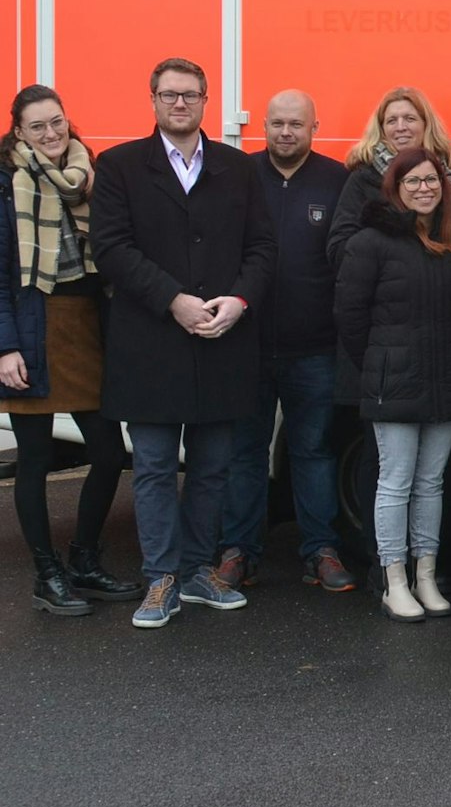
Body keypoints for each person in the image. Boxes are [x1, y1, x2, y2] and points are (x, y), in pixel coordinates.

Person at [92, 57, 276, 629]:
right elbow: (112, 249)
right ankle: (160, 578)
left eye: (190, 95)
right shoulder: (120, 166)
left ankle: (197, 570)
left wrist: (239, 301)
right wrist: (174, 299)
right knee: (150, 467)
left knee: (212, 467)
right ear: (152, 100)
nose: (179, 103)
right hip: (150, 344)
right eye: (169, 94)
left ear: (205, 101)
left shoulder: (237, 169)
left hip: (222, 340)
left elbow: (263, 248)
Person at [0, 86, 142, 615]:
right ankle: (46, 572)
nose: (51, 134)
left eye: (56, 122)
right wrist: (6, 347)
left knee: (107, 452)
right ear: (20, 132)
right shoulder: (6, 183)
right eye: (38, 127)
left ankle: (83, 558)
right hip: (33, 326)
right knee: (35, 458)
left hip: (84, 325)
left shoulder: (87, 175)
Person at [217, 91, 357, 594]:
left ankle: (319, 549)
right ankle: (239, 552)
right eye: (276, 123)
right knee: (245, 452)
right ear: (264, 127)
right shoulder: (238, 175)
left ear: (314, 127)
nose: (285, 132)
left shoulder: (337, 180)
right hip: (245, 345)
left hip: (315, 347)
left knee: (313, 452)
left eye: (296, 124)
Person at [334, 148, 451, 623]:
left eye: (432, 181)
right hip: (392, 382)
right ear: (395, 188)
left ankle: (426, 576)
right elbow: (350, 318)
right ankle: (393, 580)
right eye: (413, 181)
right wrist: (378, 366)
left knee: (431, 483)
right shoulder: (370, 241)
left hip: (446, 379)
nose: (424, 188)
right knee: (394, 484)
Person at [327, 87, 451, 271]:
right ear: (382, 129)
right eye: (392, 121)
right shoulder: (363, 179)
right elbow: (339, 248)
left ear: (426, 125)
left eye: (410, 119)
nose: (401, 127)